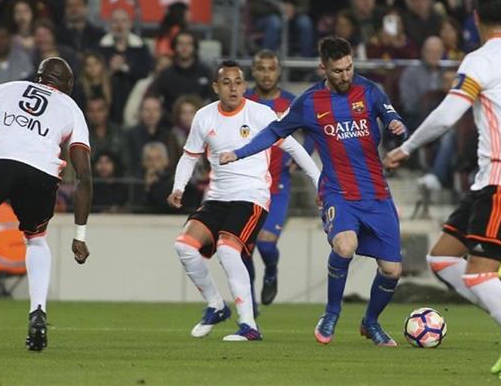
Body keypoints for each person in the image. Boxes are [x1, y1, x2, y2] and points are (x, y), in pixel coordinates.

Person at [383, 0, 501, 379]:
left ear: (476, 16)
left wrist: (407, 147)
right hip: (497, 179)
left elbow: (449, 114)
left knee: (479, 274)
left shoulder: (481, 60)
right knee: (442, 258)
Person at [219, 37, 408, 347]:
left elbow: (392, 117)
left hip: (377, 195)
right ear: (323, 68)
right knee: (345, 246)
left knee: (392, 270)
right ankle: (331, 313)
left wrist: (398, 126)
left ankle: (371, 322)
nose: (345, 75)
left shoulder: (369, 90)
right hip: (338, 193)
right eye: (338, 71)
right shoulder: (308, 102)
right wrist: (239, 153)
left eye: (349, 68)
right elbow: (274, 132)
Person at [167, 60, 319, 341]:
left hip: (252, 195)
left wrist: (319, 181)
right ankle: (216, 306)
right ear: (216, 87)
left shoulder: (260, 114)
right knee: (184, 246)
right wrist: (178, 187)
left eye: (238, 82)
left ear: (245, 86)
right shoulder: (204, 116)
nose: (233, 88)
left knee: (227, 250)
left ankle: (248, 325)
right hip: (217, 197)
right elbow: (189, 156)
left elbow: (294, 148)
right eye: (226, 83)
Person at [0, 57, 92, 349]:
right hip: (41, 172)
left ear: (38, 76)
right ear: (68, 85)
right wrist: (80, 235)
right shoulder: (71, 108)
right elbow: (83, 175)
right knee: (35, 239)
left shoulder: (5, 88)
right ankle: (38, 313)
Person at [242, 49, 299, 306]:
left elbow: (313, 132)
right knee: (243, 248)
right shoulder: (244, 100)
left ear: (279, 72)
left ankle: (271, 272)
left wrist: (300, 156)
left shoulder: (291, 103)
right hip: (247, 185)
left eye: (271, 69)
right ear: (253, 71)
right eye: (261, 69)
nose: (266, 74)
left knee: (265, 245)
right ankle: (250, 303)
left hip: (277, 185)